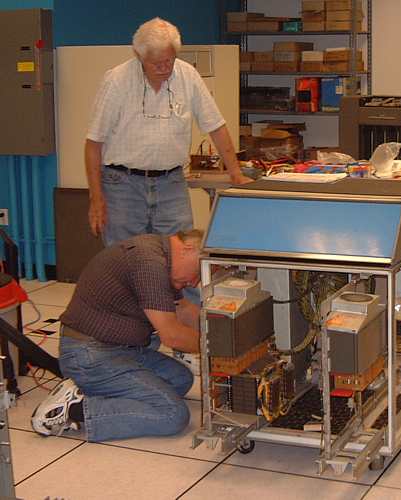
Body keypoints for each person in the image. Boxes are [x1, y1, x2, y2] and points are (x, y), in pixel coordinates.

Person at [85, 16, 250, 246]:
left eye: (169, 61)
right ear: (140, 56)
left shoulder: (188, 75)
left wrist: (235, 173)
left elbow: (216, 126)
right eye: (156, 64)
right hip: (122, 186)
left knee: (181, 252)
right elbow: (93, 144)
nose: (164, 69)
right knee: (126, 256)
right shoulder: (117, 81)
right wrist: (96, 199)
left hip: (171, 184)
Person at [31, 229, 203, 441]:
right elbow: (172, 336)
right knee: (172, 415)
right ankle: (72, 409)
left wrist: (226, 332)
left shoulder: (161, 256)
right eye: (198, 272)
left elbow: (184, 310)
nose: (195, 283)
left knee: (180, 379)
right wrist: (217, 348)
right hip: (89, 355)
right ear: (188, 249)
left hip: (119, 349)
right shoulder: (149, 262)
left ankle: (90, 390)